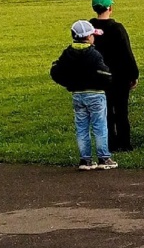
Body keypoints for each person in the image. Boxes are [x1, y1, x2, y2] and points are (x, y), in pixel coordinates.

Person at [50, 19, 116, 170]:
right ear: (88, 37)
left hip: (77, 94)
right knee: (100, 126)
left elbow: (56, 71)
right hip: (96, 95)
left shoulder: (68, 53)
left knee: (81, 128)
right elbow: (105, 74)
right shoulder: (94, 54)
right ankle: (104, 158)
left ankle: (85, 160)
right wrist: (107, 82)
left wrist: (69, 83)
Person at [90, 0, 139, 153]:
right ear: (110, 8)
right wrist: (134, 74)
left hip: (99, 77)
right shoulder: (117, 28)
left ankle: (109, 142)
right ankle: (124, 143)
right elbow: (127, 53)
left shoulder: (90, 29)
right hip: (119, 76)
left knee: (105, 112)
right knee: (121, 111)